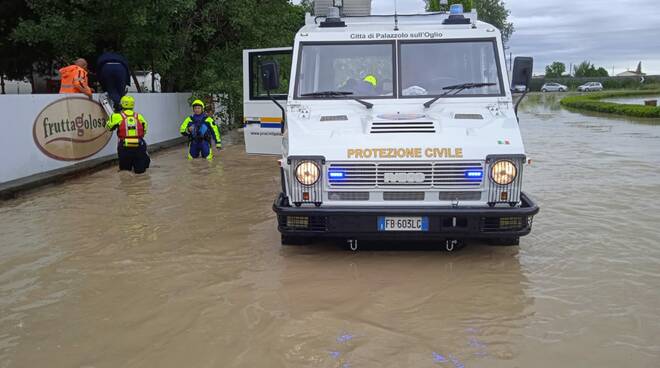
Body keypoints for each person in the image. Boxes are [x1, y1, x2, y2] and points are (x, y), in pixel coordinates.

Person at [105, 95, 150, 174]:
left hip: (124, 147)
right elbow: (145, 130)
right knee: (141, 173)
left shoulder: (116, 116)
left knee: (125, 172)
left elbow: (108, 127)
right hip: (139, 145)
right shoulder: (139, 116)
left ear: (121, 104)